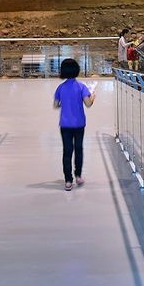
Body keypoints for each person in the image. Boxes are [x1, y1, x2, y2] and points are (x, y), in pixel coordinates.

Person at [52, 58, 95, 191]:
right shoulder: (81, 87)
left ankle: (68, 181)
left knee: (67, 151)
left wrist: (64, 103)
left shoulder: (60, 87)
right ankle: (78, 176)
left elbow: (55, 105)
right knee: (79, 149)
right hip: (79, 123)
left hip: (65, 124)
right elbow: (88, 104)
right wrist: (93, 95)